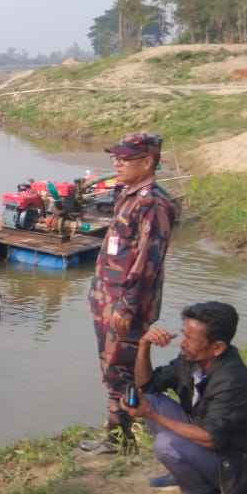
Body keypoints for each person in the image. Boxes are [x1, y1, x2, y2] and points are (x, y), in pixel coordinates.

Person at [122, 302, 247, 494]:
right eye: (183, 334)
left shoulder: (232, 381)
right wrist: (144, 345)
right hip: (214, 442)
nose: (182, 342)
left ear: (217, 348)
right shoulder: (192, 360)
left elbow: (210, 438)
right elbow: (146, 386)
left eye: (190, 338)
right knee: (150, 399)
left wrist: (151, 415)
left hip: (240, 467)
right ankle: (188, 470)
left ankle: (205, 493)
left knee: (165, 443)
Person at [81, 132, 179, 454]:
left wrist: (126, 306)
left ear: (148, 161)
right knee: (112, 368)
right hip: (108, 298)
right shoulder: (129, 194)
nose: (117, 164)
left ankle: (120, 438)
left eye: (125, 159)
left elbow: (148, 261)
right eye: (116, 158)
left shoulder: (154, 204)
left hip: (126, 305)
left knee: (121, 369)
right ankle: (118, 432)